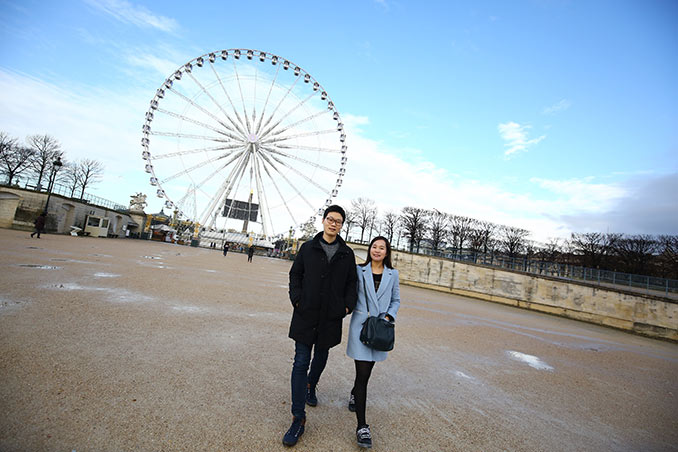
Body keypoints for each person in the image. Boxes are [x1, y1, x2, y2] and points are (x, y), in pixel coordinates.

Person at [283, 205, 358, 447]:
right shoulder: (307, 248)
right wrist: (297, 299)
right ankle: (298, 418)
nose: (333, 223)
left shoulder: (347, 254)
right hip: (306, 314)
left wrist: (346, 307)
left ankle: (311, 384)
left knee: (322, 355)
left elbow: (352, 284)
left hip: (330, 317)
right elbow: (295, 275)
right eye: (330, 219)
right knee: (300, 362)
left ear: (342, 225)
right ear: (323, 220)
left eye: (338, 221)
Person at [346, 236, 401, 449]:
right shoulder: (358, 270)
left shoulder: (393, 274)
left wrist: (388, 316)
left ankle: (354, 393)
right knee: (362, 376)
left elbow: (396, 299)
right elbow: (349, 293)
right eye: (374, 247)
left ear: (387, 252)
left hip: (380, 328)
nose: (377, 250)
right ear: (370, 250)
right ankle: (362, 426)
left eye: (381, 248)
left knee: (366, 373)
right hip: (361, 327)